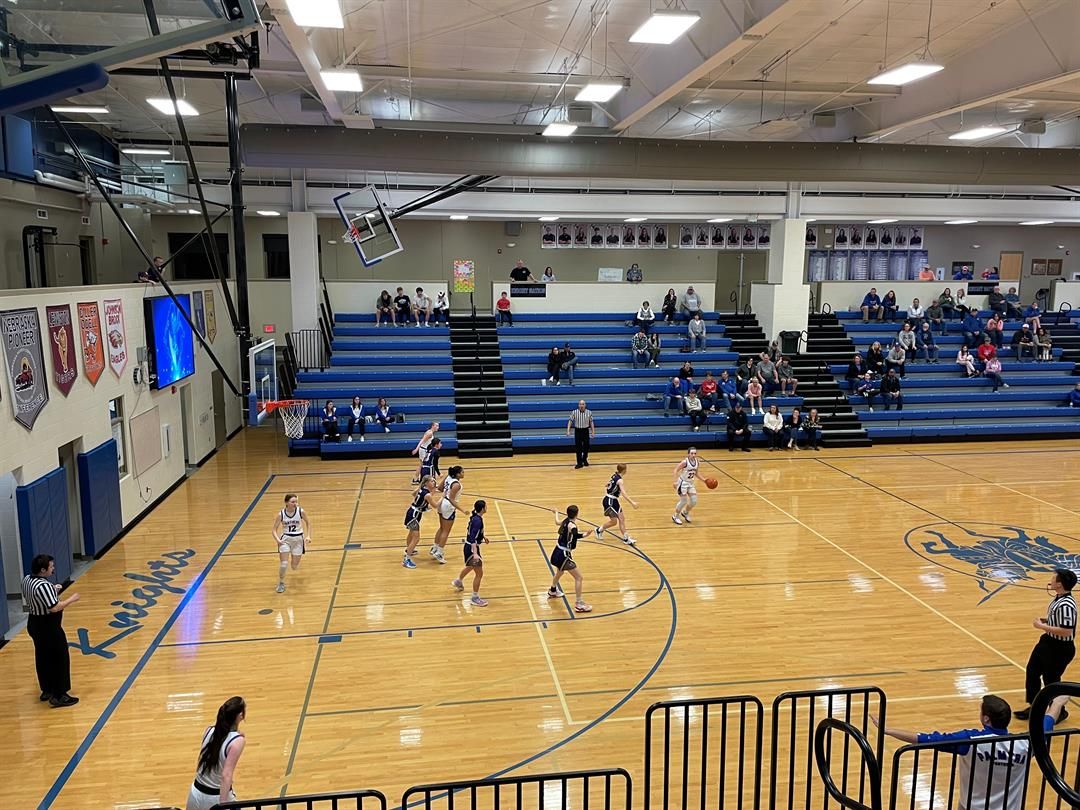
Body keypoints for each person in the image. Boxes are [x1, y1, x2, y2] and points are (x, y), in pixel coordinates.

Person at [872, 693, 1070, 810]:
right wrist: (1057, 703)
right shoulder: (1026, 743)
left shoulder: (971, 741)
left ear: (985, 719)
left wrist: (888, 730)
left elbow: (925, 739)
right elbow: (1047, 722)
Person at [1014, 568, 1077, 721]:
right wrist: (1047, 621)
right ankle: (1035, 706)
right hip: (1048, 642)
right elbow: (1060, 622)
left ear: (1060, 584)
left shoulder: (1067, 605)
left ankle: (1059, 711)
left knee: (1051, 679)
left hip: (1060, 648)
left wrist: (1041, 626)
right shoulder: (1059, 598)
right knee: (1032, 671)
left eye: (1054, 578)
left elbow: (1066, 631)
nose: (1051, 580)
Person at [21, 554, 79, 707]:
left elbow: (38, 595)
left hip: (34, 623)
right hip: (48, 626)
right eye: (51, 567)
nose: (53, 569)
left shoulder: (27, 580)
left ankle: (47, 689)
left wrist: (53, 589)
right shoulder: (44, 586)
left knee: (42, 656)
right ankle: (59, 695)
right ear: (42, 570)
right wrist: (71, 599)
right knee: (60, 658)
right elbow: (54, 607)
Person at [186, 696, 246, 810]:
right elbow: (226, 775)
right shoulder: (237, 741)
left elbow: (221, 740)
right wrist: (222, 805)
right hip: (215, 798)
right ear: (240, 716)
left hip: (195, 793)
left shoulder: (208, 730)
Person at [548, 505, 591, 613]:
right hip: (563, 554)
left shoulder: (565, 521)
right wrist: (586, 534)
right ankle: (579, 604)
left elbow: (557, 522)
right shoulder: (572, 525)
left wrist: (556, 512)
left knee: (560, 572)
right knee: (579, 578)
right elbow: (576, 535)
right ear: (577, 514)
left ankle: (553, 590)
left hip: (557, 551)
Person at [451, 500, 489, 607]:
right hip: (472, 549)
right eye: (486, 506)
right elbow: (472, 537)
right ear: (482, 508)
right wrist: (476, 553)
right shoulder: (478, 521)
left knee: (471, 567)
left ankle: (458, 581)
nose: (487, 508)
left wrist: (483, 537)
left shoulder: (476, 518)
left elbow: (475, 533)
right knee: (479, 573)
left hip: (468, 547)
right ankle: (474, 597)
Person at [272, 494, 311, 593]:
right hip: (286, 539)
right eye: (293, 502)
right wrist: (278, 540)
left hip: (298, 540)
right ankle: (281, 583)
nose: (295, 504)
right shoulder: (281, 514)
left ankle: (293, 560)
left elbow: (308, 523)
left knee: (294, 566)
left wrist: (308, 536)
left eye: (296, 502)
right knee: (284, 564)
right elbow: (274, 530)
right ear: (286, 503)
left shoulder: (300, 511)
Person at [402, 476, 443, 569]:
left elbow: (414, 494)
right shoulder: (427, 494)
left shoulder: (421, 489)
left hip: (412, 512)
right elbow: (436, 506)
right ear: (426, 483)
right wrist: (443, 497)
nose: (434, 482)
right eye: (432, 481)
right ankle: (406, 559)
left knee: (411, 533)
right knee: (416, 538)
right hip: (413, 515)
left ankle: (409, 549)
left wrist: (423, 505)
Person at [432, 465, 468, 565]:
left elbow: (439, 488)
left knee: (442, 528)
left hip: (442, 502)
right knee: (446, 531)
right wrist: (463, 510)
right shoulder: (456, 484)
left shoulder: (448, 477)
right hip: (448, 506)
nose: (463, 473)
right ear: (457, 474)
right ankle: (439, 552)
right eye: (462, 472)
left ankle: (435, 548)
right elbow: (452, 500)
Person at [595, 464, 638, 546]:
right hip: (610, 501)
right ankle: (598, 530)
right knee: (614, 522)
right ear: (624, 470)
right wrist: (632, 502)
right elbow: (624, 493)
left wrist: (607, 485)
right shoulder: (620, 481)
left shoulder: (615, 475)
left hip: (613, 500)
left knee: (621, 519)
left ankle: (626, 538)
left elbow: (609, 483)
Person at [671, 447, 700, 525]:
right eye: (692, 453)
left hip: (690, 483)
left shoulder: (697, 462)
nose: (693, 455)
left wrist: (704, 480)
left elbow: (696, 473)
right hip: (682, 483)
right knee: (683, 501)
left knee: (694, 501)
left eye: (695, 453)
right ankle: (675, 516)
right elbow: (675, 470)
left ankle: (685, 512)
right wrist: (675, 481)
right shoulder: (685, 462)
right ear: (688, 454)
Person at [567, 400, 594, 468]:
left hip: (585, 431)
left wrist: (593, 432)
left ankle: (584, 459)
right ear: (578, 405)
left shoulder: (589, 412)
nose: (581, 405)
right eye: (580, 404)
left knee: (586, 446)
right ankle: (579, 463)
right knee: (578, 447)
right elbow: (570, 421)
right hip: (578, 431)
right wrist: (568, 430)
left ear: (585, 405)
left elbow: (591, 422)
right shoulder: (574, 412)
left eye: (583, 404)